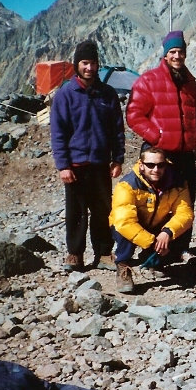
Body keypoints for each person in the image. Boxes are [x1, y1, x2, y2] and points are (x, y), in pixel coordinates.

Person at [126, 30, 196, 261]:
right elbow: (134, 115)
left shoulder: (190, 82)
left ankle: (179, 249)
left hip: (185, 154)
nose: (177, 56)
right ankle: (152, 250)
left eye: (181, 51)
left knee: (185, 201)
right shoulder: (149, 80)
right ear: (165, 55)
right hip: (159, 155)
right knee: (156, 203)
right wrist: (157, 137)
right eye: (172, 51)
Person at [50, 39, 125, 272]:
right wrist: (63, 165)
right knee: (76, 211)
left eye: (93, 63)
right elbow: (58, 133)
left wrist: (118, 158)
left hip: (101, 163)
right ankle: (75, 254)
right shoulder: (65, 94)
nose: (89, 68)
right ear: (76, 65)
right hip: (75, 164)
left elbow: (117, 129)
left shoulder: (108, 94)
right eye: (84, 63)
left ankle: (103, 253)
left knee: (103, 210)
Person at [109, 146, 194, 293]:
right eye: (150, 165)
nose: (156, 169)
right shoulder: (127, 184)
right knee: (125, 232)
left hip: (158, 224)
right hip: (131, 225)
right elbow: (125, 221)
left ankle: (154, 261)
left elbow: (184, 213)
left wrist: (167, 232)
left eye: (160, 165)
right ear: (141, 165)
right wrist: (152, 242)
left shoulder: (177, 183)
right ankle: (123, 266)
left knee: (180, 227)